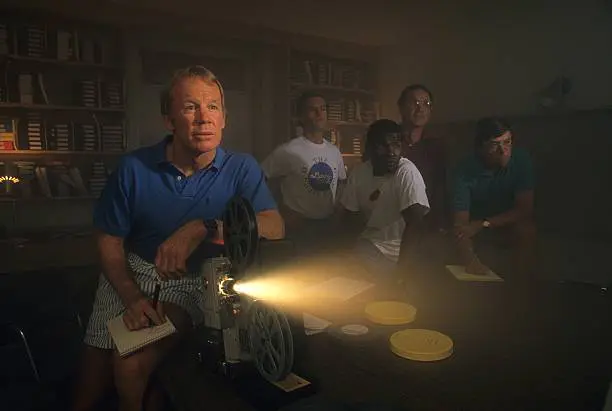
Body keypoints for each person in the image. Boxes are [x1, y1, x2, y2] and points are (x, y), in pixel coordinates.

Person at [72, 65, 284, 411]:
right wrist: (131, 296)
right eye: (190, 107)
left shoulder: (242, 168)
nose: (204, 118)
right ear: (169, 120)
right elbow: (109, 241)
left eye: (212, 106)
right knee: (89, 390)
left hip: (195, 281)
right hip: (129, 272)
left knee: (130, 363)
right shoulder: (133, 169)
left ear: (224, 118)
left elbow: (275, 226)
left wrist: (205, 226)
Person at [340, 119, 430, 283]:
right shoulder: (359, 173)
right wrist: (344, 254)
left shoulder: (407, 172)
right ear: (371, 148)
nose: (391, 151)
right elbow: (349, 219)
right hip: (369, 245)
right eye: (383, 145)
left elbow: (415, 223)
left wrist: (402, 274)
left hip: (399, 251)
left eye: (396, 145)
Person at [262, 91, 346, 255]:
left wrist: (338, 213)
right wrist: (279, 209)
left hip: (328, 224)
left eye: (322, 109)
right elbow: (258, 179)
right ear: (301, 117)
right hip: (300, 227)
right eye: (312, 109)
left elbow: (342, 182)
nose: (319, 113)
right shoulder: (287, 150)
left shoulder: (334, 151)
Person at [451, 117, 536, 275]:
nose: (503, 151)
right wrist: (470, 260)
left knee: (526, 230)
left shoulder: (521, 160)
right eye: (495, 145)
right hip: (475, 228)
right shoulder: (464, 170)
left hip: (504, 223)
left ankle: (521, 286)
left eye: (507, 142)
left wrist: (485, 223)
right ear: (481, 147)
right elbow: (460, 224)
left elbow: (525, 209)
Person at [397, 84, 447, 231]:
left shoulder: (438, 146)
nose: (421, 109)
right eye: (415, 103)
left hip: (426, 222)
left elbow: (441, 188)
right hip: (392, 218)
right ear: (401, 107)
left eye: (426, 104)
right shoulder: (389, 141)